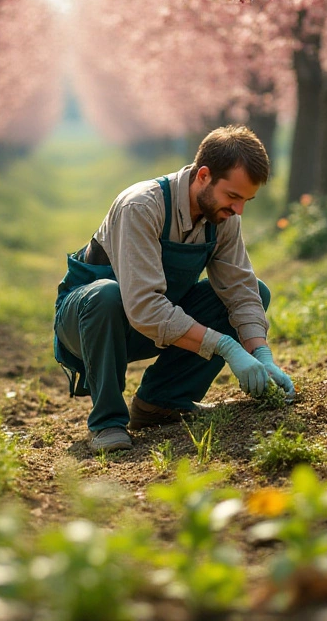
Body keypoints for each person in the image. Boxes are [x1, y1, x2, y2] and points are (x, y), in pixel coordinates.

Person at [53, 125, 295, 452]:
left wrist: (260, 353)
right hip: (89, 325)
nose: (239, 210)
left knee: (257, 291)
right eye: (234, 197)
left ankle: (161, 403)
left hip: (156, 324)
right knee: (106, 295)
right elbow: (144, 307)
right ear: (204, 176)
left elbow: (241, 290)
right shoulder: (141, 206)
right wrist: (225, 347)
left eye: (247, 200)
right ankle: (106, 421)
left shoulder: (223, 217)